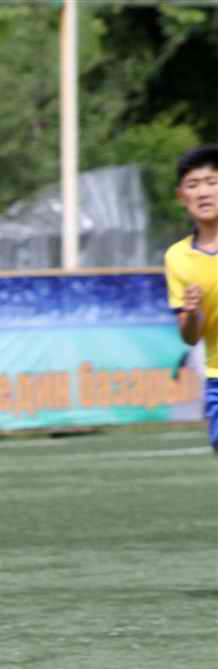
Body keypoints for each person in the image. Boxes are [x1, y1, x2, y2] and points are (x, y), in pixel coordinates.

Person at [164, 144, 218, 454]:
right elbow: (190, 336)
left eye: (212, 182)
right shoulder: (177, 258)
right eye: (194, 185)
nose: (203, 192)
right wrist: (192, 311)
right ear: (181, 196)